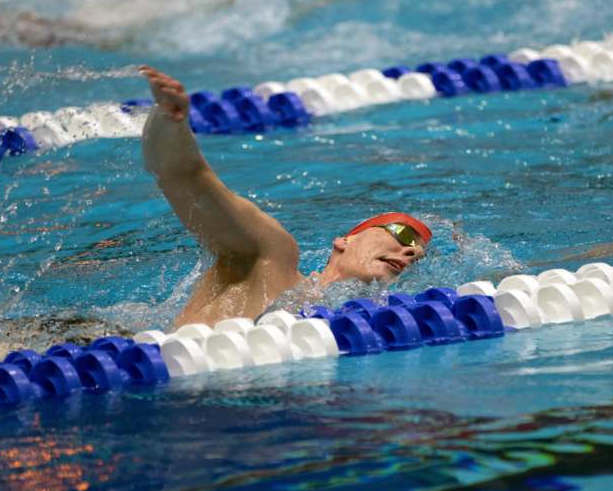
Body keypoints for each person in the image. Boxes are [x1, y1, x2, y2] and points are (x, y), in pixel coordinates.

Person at [139, 66, 429, 327]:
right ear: (345, 240)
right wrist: (170, 120)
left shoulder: (352, 326)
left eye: (418, 252)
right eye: (403, 234)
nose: (412, 251)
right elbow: (181, 175)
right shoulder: (271, 257)